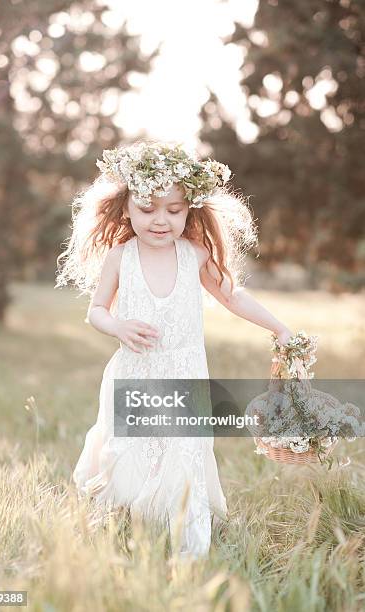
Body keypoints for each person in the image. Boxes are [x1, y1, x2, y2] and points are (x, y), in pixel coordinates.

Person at [55, 139, 293, 560]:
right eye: (147, 208)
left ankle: (188, 539)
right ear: (126, 207)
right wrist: (118, 326)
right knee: (129, 449)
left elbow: (233, 296)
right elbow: (96, 311)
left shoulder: (195, 255)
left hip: (185, 373)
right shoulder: (120, 257)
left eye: (175, 209)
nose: (160, 220)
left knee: (183, 449)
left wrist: (279, 328)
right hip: (135, 373)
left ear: (190, 210)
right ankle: (124, 524)